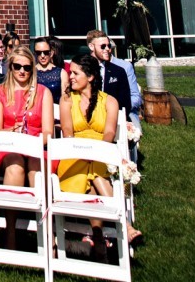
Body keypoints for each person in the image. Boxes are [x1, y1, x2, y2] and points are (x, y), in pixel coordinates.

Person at [58, 54, 142, 256]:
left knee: (95, 172)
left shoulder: (109, 101)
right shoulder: (67, 100)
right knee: (94, 174)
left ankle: (98, 243)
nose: (71, 77)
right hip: (74, 155)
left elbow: (109, 133)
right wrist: (85, 151)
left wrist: (99, 152)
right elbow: (68, 132)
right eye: (71, 73)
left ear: (91, 76)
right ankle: (125, 226)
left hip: (101, 154)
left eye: (76, 73)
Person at [0, 46, 54, 250]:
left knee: (35, 168)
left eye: (27, 67)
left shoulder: (43, 92)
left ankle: (46, 229)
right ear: (10, 68)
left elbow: (48, 132)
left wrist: (31, 141)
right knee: (15, 166)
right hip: (9, 144)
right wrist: (12, 133)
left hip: (36, 145)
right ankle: (10, 230)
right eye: (17, 67)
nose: (22, 71)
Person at [86, 30, 132, 116]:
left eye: (109, 46)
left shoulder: (118, 71)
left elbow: (125, 102)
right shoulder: (82, 69)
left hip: (112, 116)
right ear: (91, 47)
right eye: (103, 46)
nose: (107, 49)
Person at [110, 40, 143, 133]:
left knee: (130, 133)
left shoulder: (125, 66)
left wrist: (120, 108)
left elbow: (136, 97)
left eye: (108, 47)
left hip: (126, 111)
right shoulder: (92, 67)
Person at [33, 36, 64, 103]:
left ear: (51, 53)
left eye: (46, 52)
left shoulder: (61, 73)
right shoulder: (31, 72)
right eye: (39, 53)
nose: (42, 56)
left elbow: (65, 100)